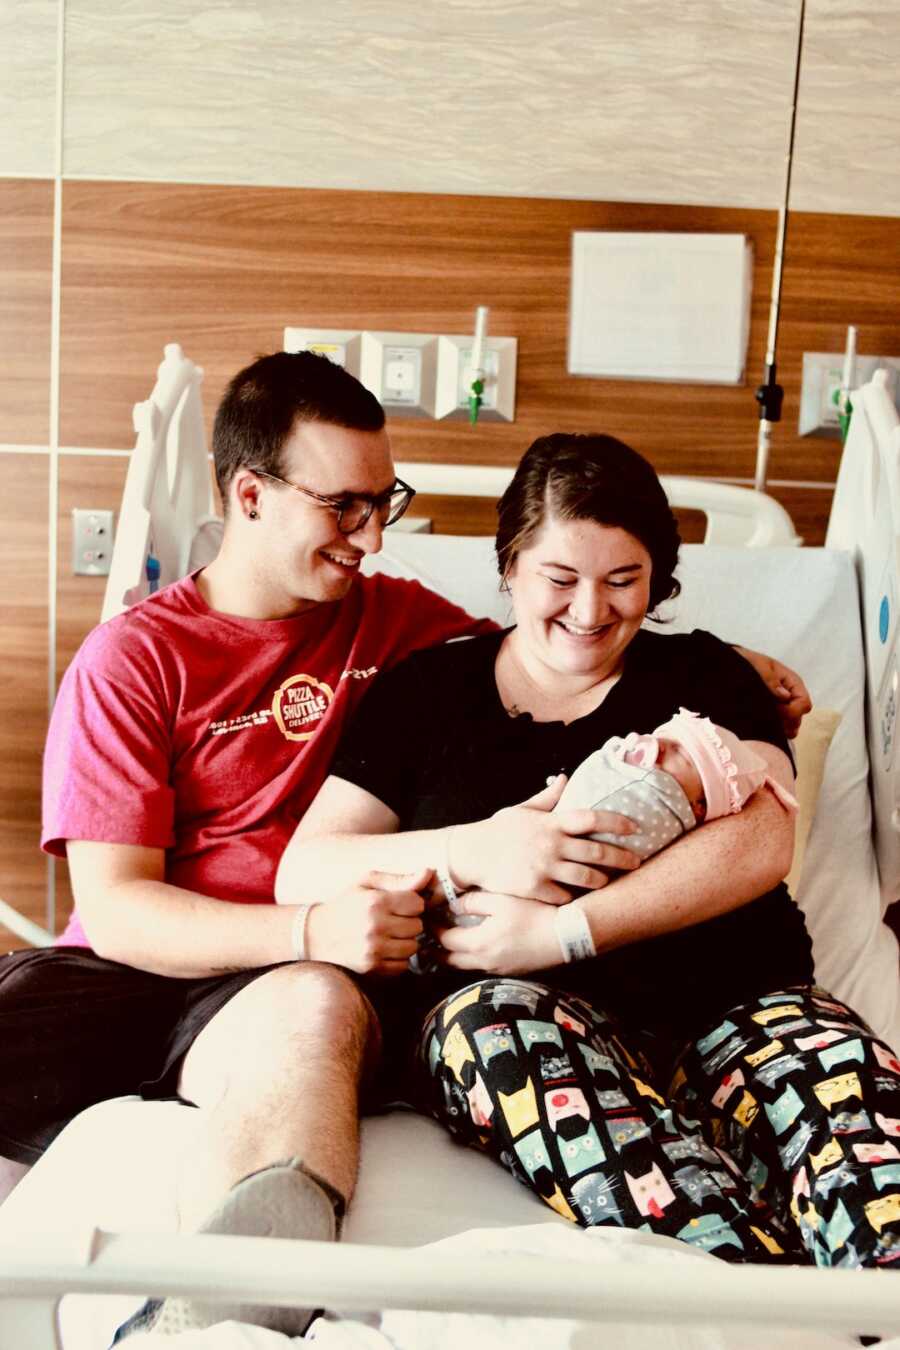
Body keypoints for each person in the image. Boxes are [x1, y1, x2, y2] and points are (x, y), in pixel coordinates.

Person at [0, 355, 812, 1340]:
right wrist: (313, 923)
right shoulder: (135, 660)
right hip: (148, 962)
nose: (374, 537)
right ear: (249, 495)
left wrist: (735, 667)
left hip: (305, 983)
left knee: (310, 1006)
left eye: (387, 503)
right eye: (345, 507)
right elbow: (121, 908)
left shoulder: (405, 628)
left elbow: (570, 642)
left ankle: (217, 1321)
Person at [282, 432, 900, 1271]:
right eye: (560, 579)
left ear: (660, 581)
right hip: (522, 1022)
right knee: (480, 1030)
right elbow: (306, 868)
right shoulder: (425, 696)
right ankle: (767, 1294)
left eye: (623, 581)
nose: (590, 610)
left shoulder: (706, 675)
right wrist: (478, 848)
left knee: (856, 1120)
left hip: (737, 1006)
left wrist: (564, 933)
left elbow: (763, 837)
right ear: (508, 567)